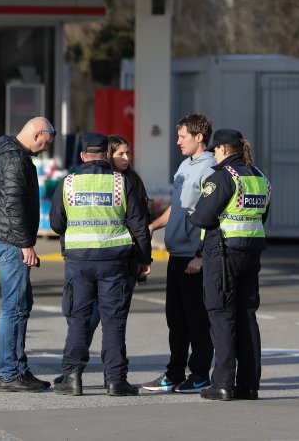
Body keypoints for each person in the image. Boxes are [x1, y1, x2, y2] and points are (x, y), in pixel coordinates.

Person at [50, 132, 152, 397]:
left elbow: (56, 223)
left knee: (79, 320)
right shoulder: (120, 182)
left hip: (79, 262)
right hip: (114, 263)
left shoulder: (68, 183)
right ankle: (116, 381)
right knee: (114, 322)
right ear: (107, 155)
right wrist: (143, 259)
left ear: (83, 156)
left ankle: (72, 378)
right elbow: (139, 225)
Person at [0, 117, 56, 392]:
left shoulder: (9, 154)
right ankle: (10, 374)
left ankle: (19, 369)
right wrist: (25, 244)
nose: (46, 148)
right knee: (14, 307)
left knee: (21, 304)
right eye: (46, 141)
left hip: (4, 238)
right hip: (10, 242)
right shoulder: (14, 159)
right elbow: (13, 203)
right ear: (37, 133)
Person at [189, 129, 271, 401]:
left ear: (224, 149)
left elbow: (202, 217)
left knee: (221, 315)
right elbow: (263, 215)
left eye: (215, 150)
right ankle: (248, 384)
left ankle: (222, 383)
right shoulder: (260, 177)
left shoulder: (223, 177)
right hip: (252, 252)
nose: (213, 155)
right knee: (247, 315)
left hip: (223, 254)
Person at [142, 114, 216, 394]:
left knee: (196, 319)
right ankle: (174, 373)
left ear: (199, 137)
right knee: (176, 320)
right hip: (176, 254)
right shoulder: (185, 165)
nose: (177, 142)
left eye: (182, 136)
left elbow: (212, 216)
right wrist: (152, 226)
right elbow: (177, 208)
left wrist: (201, 255)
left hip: (193, 257)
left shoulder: (210, 169)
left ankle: (199, 374)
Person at [86, 135, 151, 349]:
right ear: (108, 155)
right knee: (91, 316)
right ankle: (75, 366)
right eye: (120, 153)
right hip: (96, 257)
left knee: (114, 320)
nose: (126, 158)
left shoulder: (133, 181)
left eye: (128, 153)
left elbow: (141, 224)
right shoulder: (99, 181)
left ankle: (111, 370)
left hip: (126, 259)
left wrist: (143, 258)